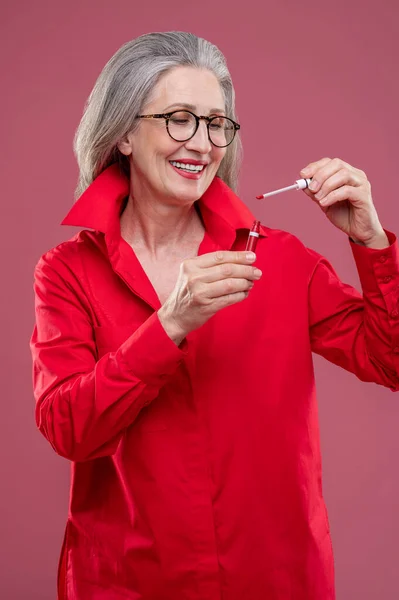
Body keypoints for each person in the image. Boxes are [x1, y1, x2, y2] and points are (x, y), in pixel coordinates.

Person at [30, 31, 399, 600]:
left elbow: (390, 359)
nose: (202, 142)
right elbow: (69, 431)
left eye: (216, 123)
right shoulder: (67, 272)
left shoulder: (279, 259)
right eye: (180, 119)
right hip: (127, 583)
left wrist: (372, 243)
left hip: (275, 581)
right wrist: (168, 326)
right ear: (124, 132)